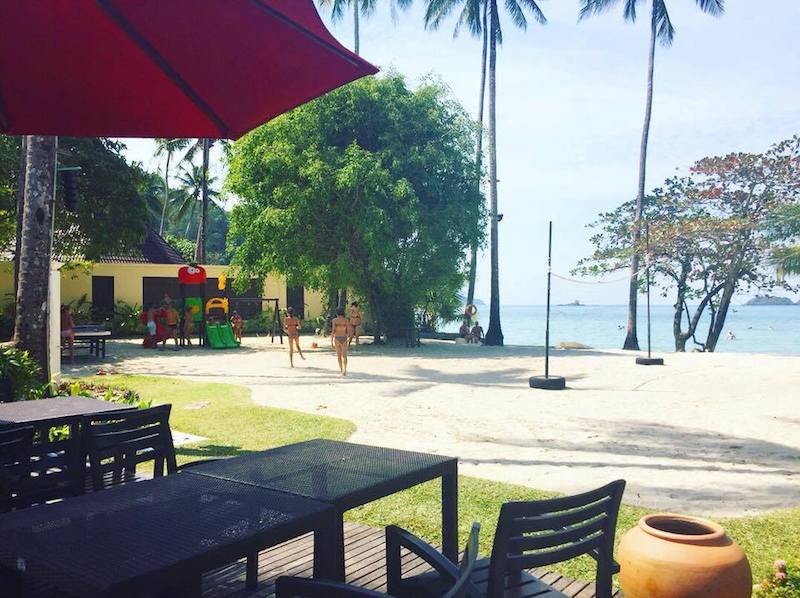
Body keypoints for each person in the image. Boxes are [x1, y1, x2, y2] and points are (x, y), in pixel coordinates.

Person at [331, 307, 351, 376]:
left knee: (339, 356)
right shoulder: (346, 320)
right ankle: (345, 369)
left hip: (337, 338)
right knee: (344, 355)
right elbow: (348, 331)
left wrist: (331, 340)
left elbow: (333, 330)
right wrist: (348, 339)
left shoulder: (334, 320)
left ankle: (341, 370)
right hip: (344, 337)